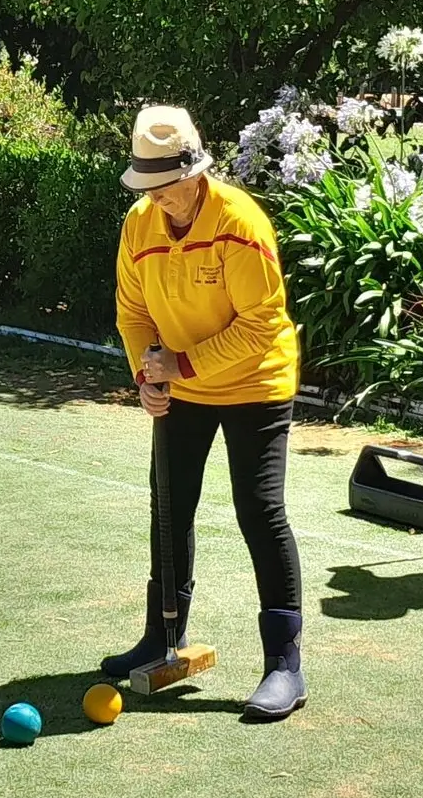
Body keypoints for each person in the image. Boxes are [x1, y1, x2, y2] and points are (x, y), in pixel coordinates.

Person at [104, 105, 308, 721]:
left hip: (255, 382)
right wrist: (147, 373)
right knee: (169, 503)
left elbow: (260, 326)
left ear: (195, 172)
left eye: (166, 185)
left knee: (259, 508)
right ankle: (162, 637)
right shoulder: (141, 225)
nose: (157, 198)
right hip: (182, 386)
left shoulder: (240, 225)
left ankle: (284, 666)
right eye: (148, 187)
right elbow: (134, 315)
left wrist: (181, 368)